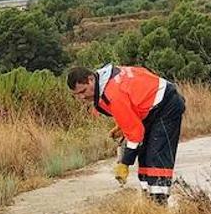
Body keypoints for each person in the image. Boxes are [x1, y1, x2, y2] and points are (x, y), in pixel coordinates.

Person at [67, 64, 185, 203]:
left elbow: (135, 134)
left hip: (167, 106)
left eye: (83, 91)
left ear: (91, 79)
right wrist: (123, 124)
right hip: (152, 109)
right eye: (76, 95)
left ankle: (159, 204)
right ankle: (149, 201)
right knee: (145, 157)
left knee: (156, 157)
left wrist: (125, 163)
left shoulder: (113, 93)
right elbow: (134, 96)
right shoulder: (105, 80)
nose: (81, 97)